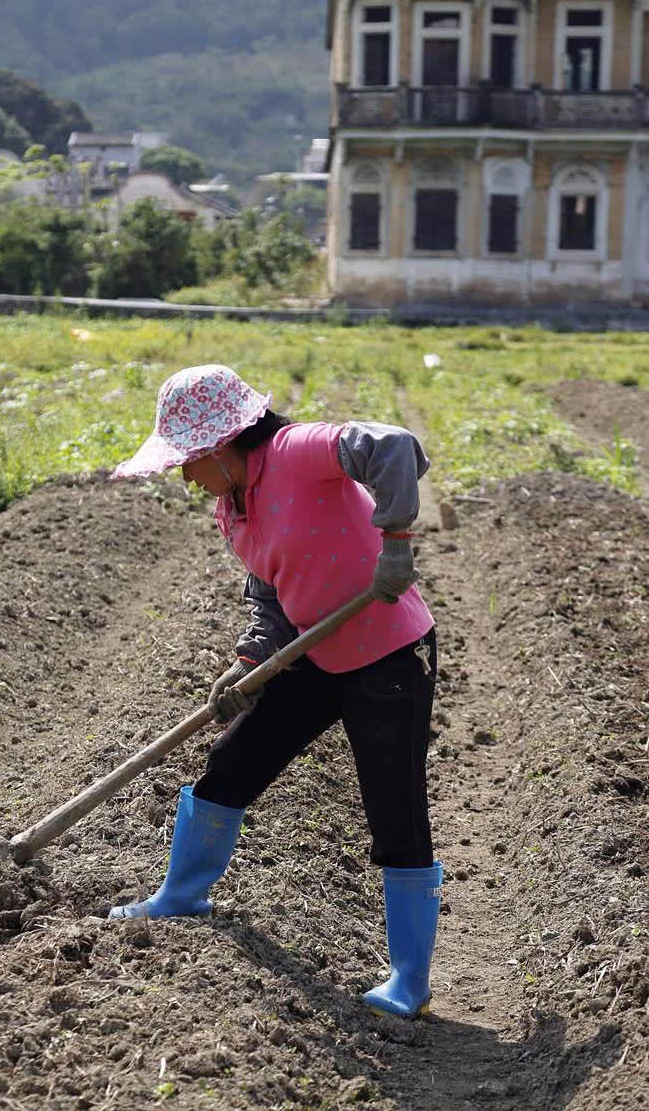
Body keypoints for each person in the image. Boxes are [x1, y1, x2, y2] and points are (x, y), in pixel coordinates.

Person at [109, 364, 442, 1019]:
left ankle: (409, 980)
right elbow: (272, 602)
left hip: (390, 655)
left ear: (221, 446)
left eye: (188, 461)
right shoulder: (230, 512)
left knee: (393, 808)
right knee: (231, 765)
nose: (184, 476)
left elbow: (394, 445)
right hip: (315, 652)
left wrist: (396, 538)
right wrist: (245, 664)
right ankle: (181, 894)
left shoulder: (298, 451)